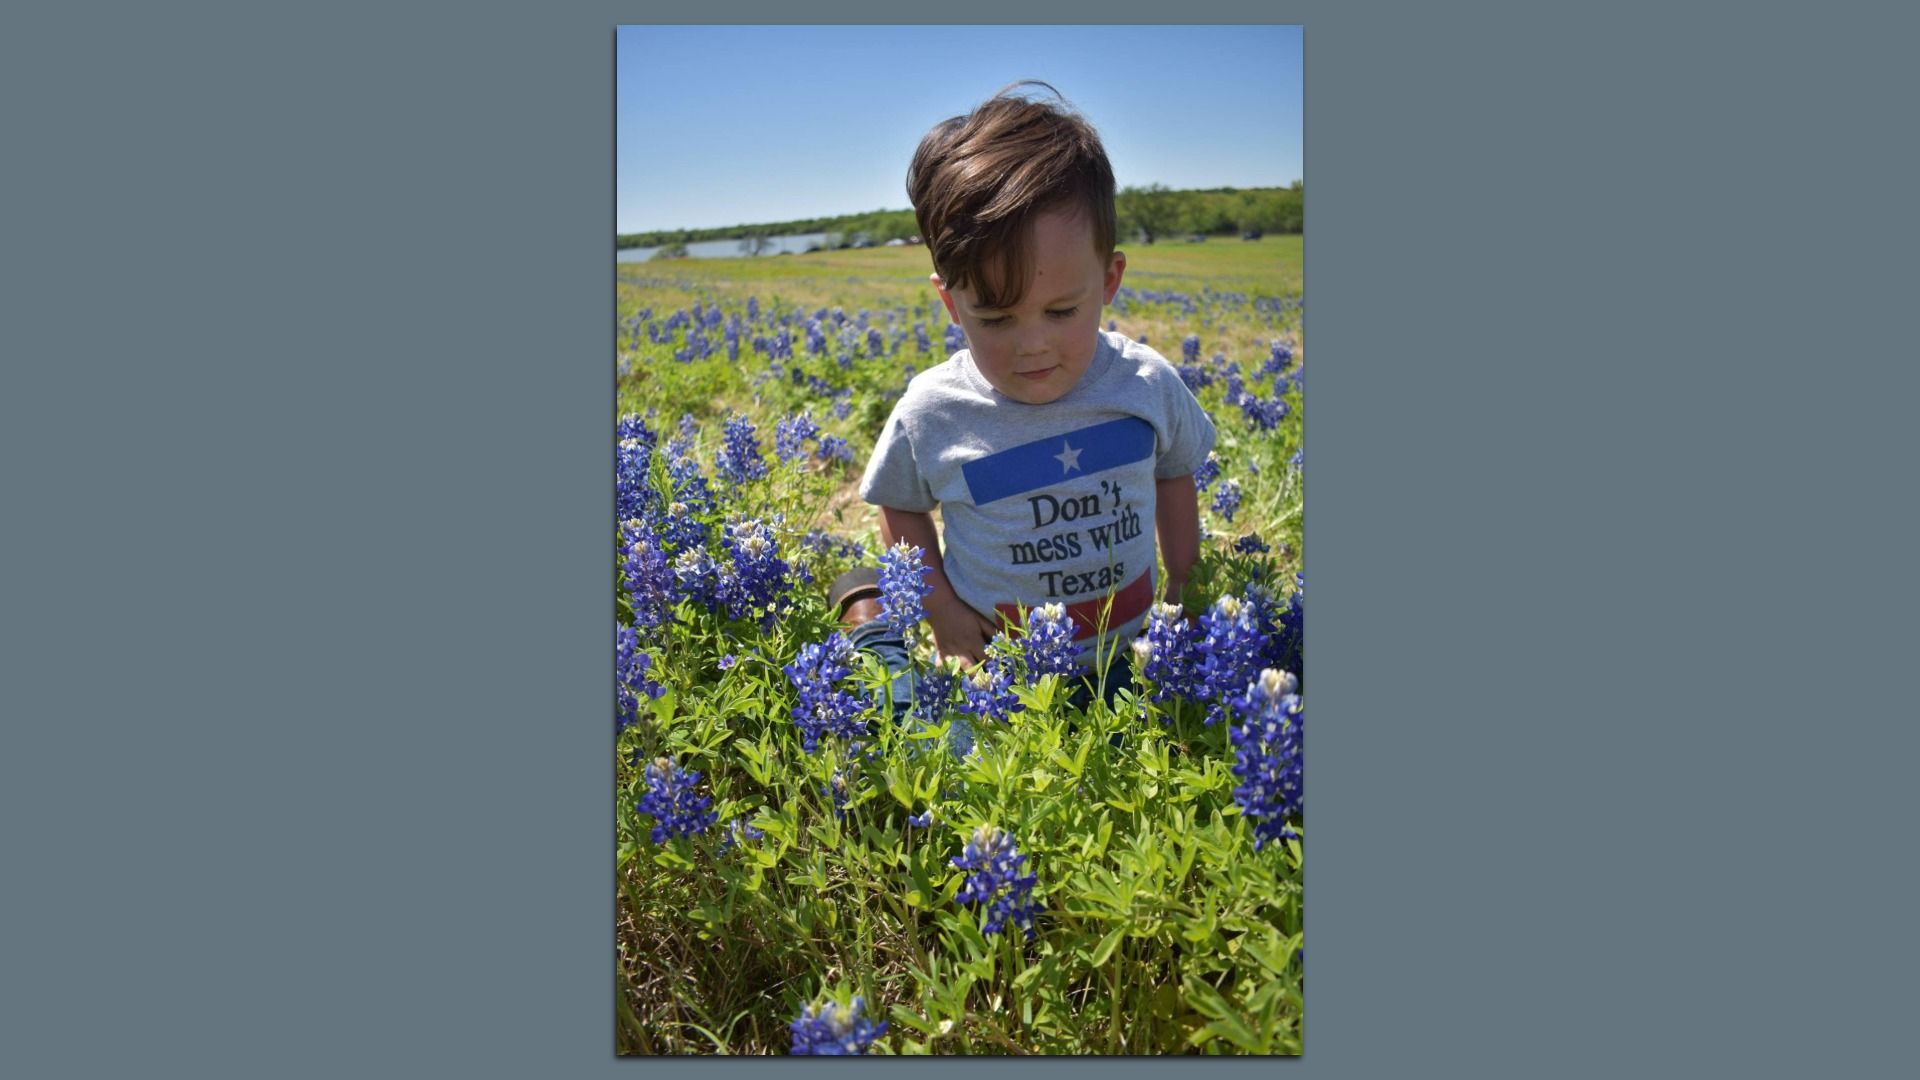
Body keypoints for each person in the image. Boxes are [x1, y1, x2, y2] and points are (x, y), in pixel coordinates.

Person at [840, 81, 1216, 726]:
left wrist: (1185, 588)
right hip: (1000, 666)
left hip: (1135, 650)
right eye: (995, 317)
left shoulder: (1144, 381)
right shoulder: (934, 409)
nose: (1032, 345)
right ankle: (870, 620)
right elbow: (899, 503)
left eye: (1062, 310)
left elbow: (1173, 472)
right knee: (910, 732)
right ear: (951, 302)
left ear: (1109, 280)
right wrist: (944, 614)